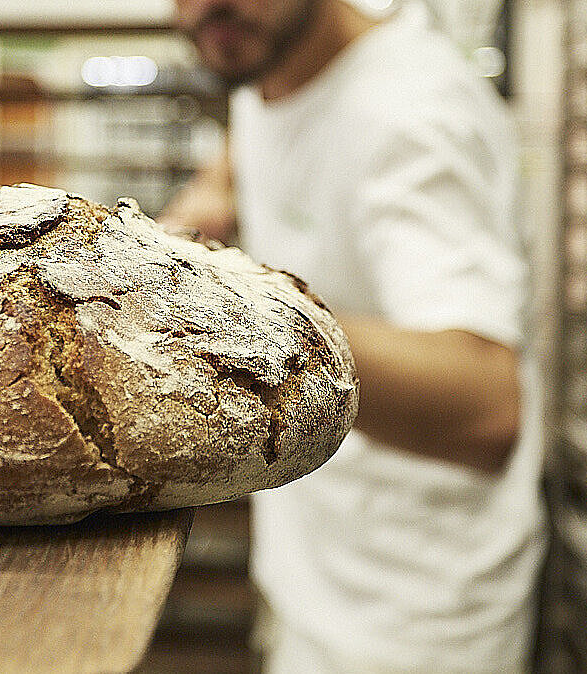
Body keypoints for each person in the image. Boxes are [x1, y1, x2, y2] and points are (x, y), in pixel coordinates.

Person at [162, 0, 544, 671]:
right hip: (314, 575)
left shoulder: (410, 113)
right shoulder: (267, 59)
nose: (205, 6)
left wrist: (233, 306)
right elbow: (273, 125)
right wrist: (213, 193)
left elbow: (485, 406)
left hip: (410, 620)